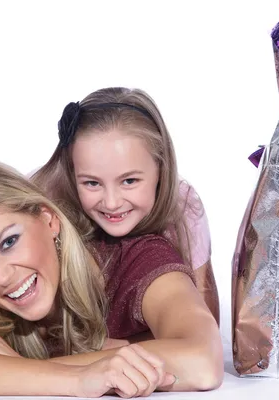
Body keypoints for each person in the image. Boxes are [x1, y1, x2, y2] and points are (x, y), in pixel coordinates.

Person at [0, 160, 222, 397]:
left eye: (9, 242)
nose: (1, 278)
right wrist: (76, 380)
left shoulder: (136, 259)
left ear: (48, 220)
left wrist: (10, 368)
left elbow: (201, 360)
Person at [31, 87, 220, 325]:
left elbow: (206, 330)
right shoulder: (44, 204)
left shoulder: (182, 206)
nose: (111, 203)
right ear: (71, 171)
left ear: (161, 168)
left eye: (129, 181)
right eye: (91, 183)